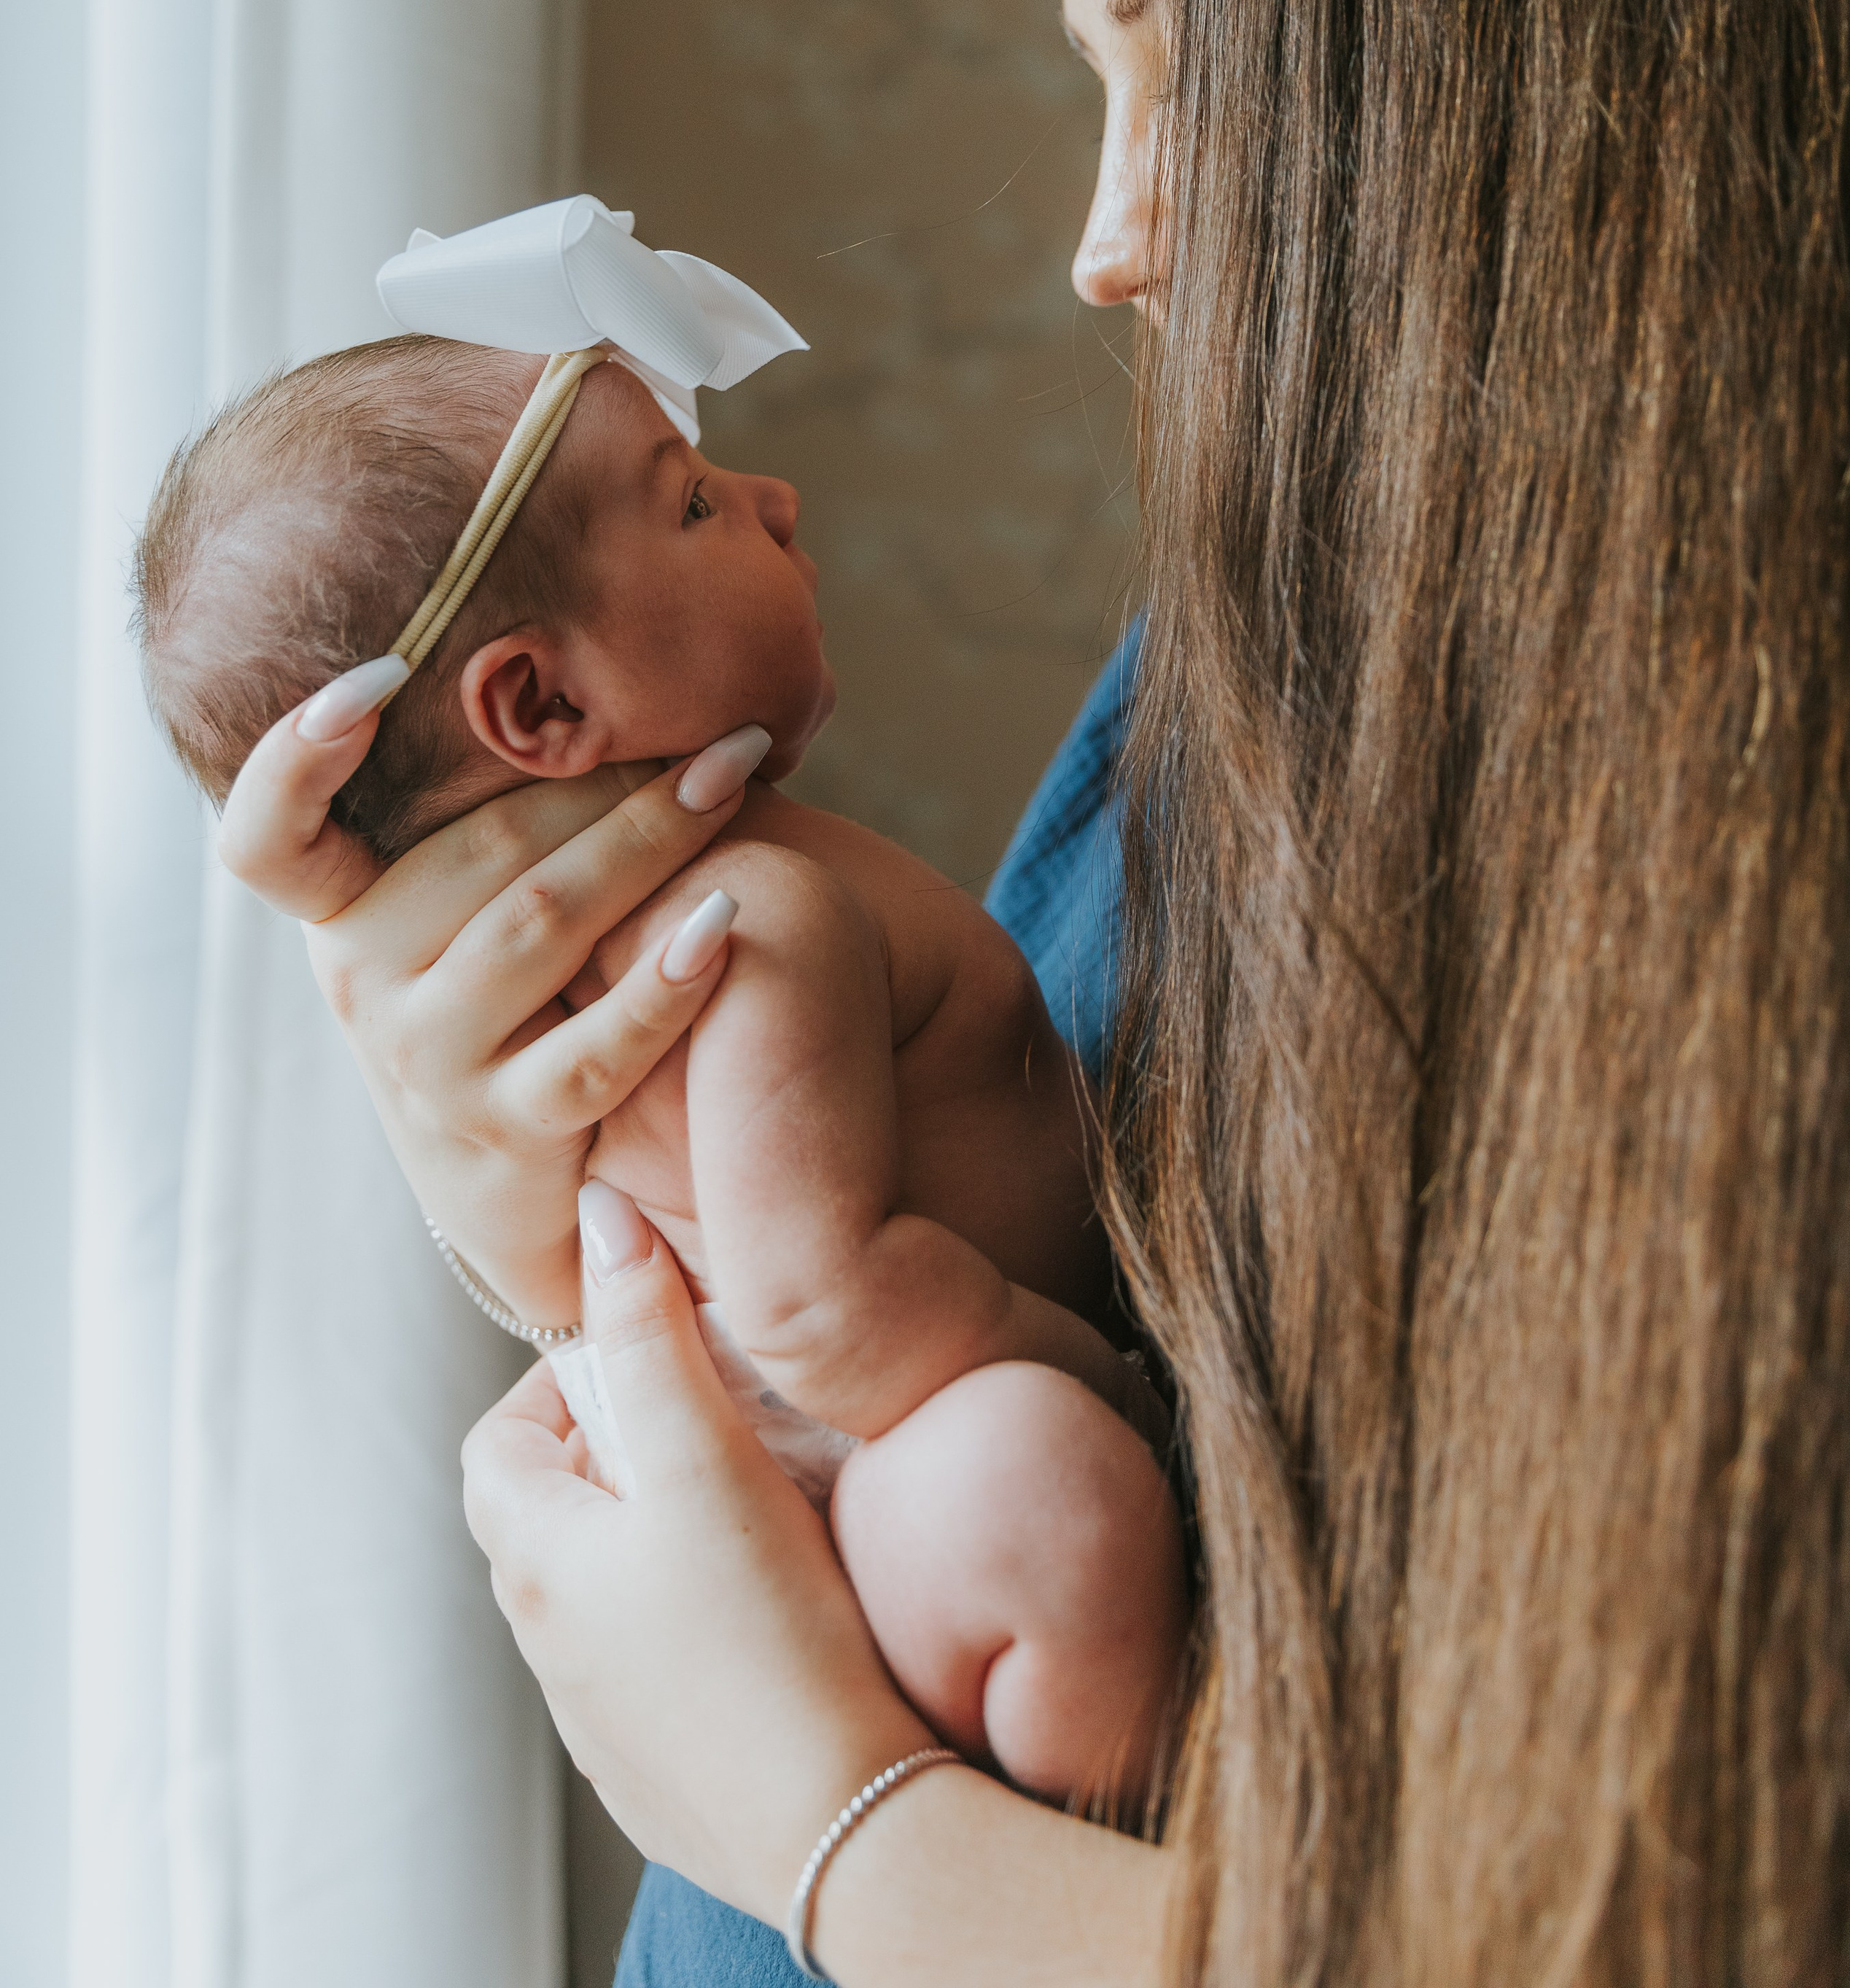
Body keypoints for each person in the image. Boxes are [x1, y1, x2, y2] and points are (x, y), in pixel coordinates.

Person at [221, 0, 1850, 1982]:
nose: (1106, 245)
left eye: (1193, 66)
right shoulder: (1215, 712)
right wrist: (565, 1205)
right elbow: (917, 1315)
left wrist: (837, 1827)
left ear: (1568, 68)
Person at [136, 326, 1185, 1801]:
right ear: (545, 709)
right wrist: (1123, 1387)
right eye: (690, 500)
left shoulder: (559, 971)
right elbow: (821, 1306)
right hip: (853, 1481)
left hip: (753, 1500)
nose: (776, 500)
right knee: (1044, 1489)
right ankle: (1139, 1822)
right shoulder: (749, 918)